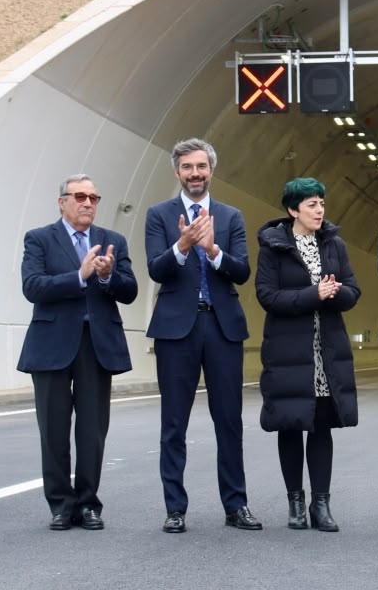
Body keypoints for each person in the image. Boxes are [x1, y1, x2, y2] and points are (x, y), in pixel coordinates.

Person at [144, 138, 259, 533]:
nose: (196, 173)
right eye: (188, 167)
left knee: (229, 420)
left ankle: (236, 505)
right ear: (177, 172)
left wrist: (211, 250)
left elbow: (242, 271)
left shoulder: (230, 216)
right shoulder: (159, 215)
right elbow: (156, 270)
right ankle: (175, 507)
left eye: (202, 167)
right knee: (173, 422)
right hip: (177, 330)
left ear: (211, 170)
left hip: (222, 327)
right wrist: (183, 244)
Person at [18, 174, 138, 531]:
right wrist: (80, 275)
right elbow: (32, 286)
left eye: (94, 197)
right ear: (62, 202)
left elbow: (130, 290)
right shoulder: (39, 238)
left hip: (96, 344)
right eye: (80, 196)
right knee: (53, 429)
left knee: (92, 429)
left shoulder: (112, 241)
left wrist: (106, 276)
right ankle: (60, 504)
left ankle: (88, 503)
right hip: (51, 345)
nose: (88, 203)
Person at [256, 178, 362, 533]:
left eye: (321, 203)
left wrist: (335, 294)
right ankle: (295, 504)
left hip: (326, 351)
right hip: (288, 350)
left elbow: (353, 290)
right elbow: (267, 297)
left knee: (321, 425)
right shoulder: (273, 247)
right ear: (293, 210)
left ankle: (321, 504)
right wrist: (312, 294)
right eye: (312, 204)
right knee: (290, 424)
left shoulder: (334, 245)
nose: (320, 210)